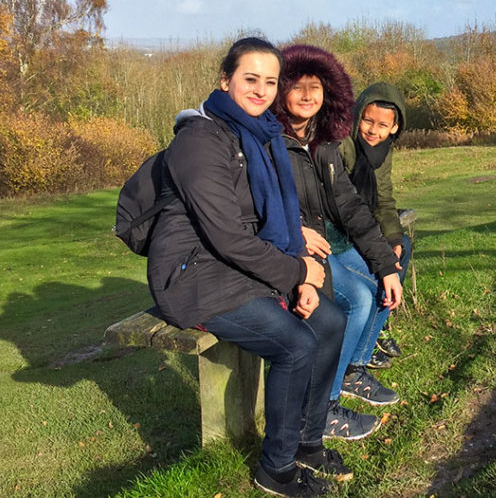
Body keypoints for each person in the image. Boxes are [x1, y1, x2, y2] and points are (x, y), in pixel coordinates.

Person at [146, 37, 348, 497]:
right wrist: (296, 274)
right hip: (192, 275)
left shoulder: (262, 136)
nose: (261, 90)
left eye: (270, 81)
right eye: (250, 79)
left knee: (330, 321)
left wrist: (298, 268)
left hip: (238, 265)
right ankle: (275, 471)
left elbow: (278, 216)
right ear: (225, 80)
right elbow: (226, 236)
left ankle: (306, 442)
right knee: (295, 345)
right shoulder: (200, 141)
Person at [273, 44, 404, 441]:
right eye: (298, 86)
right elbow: (252, 205)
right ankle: (322, 406)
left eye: (317, 86)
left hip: (315, 248)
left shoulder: (323, 143)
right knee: (357, 300)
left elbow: (352, 206)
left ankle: (346, 375)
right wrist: (294, 232)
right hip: (281, 254)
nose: (309, 95)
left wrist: (386, 262)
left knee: (378, 281)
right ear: (281, 91)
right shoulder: (269, 139)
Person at [336, 82, 412, 369]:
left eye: (382, 125)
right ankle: (357, 359)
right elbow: (340, 200)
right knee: (376, 277)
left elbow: (384, 198)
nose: (373, 130)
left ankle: (374, 333)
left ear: (394, 128)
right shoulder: (344, 144)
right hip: (342, 228)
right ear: (358, 117)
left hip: (363, 222)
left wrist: (392, 236)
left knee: (401, 249)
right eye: (368, 121)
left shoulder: (384, 151)